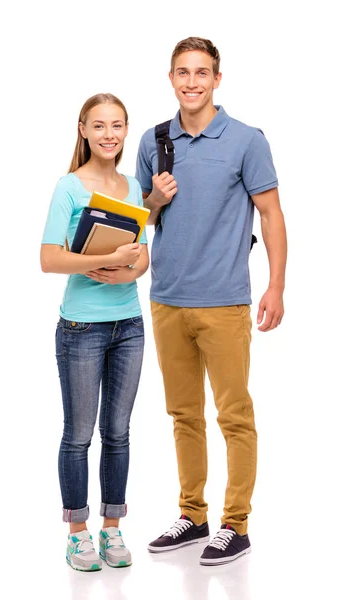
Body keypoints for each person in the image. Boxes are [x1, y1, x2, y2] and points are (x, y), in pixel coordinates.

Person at [135, 37, 287, 565]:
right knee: (183, 415)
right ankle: (192, 516)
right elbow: (140, 221)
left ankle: (235, 524)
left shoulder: (246, 140)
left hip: (225, 301)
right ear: (171, 77)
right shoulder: (154, 141)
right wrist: (153, 200)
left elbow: (270, 214)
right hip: (167, 300)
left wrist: (275, 285)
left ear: (217, 79)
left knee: (234, 415)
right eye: (183, 72)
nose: (192, 82)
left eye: (202, 72)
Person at [41, 93, 149, 571]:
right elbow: (49, 258)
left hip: (128, 324)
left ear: (125, 131)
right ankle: (78, 533)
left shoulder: (133, 187)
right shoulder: (68, 186)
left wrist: (131, 271)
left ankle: (113, 529)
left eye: (118, 125)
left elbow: (142, 253)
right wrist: (105, 260)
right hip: (81, 325)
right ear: (83, 129)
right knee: (79, 434)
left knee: (119, 433)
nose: (109, 134)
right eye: (100, 125)